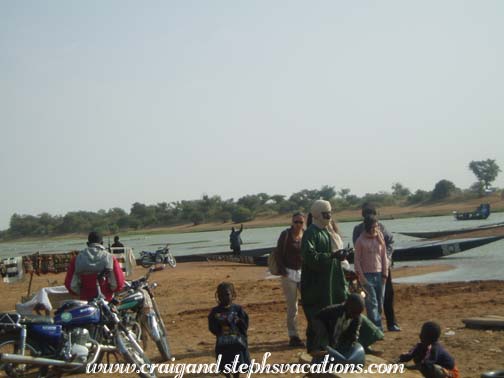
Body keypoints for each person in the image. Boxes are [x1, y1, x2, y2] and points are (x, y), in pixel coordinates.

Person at [301, 200, 349, 353]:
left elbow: (331, 257)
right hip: (316, 286)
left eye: (330, 213)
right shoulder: (310, 233)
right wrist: (331, 256)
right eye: (325, 213)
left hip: (331, 282)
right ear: (316, 214)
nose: (329, 216)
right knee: (318, 317)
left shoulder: (326, 232)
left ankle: (331, 347)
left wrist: (340, 257)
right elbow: (310, 258)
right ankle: (315, 349)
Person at [353, 202, 400, 332]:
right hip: (366, 271)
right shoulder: (358, 229)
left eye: (372, 214)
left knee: (387, 296)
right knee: (370, 300)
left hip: (383, 267)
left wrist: (388, 258)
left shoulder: (381, 228)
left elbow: (389, 242)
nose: (370, 216)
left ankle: (392, 323)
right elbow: (357, 252)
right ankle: (375, 326)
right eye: (367, 214)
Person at [64, 231, 125, 301]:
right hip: (106, 300)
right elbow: (118, 283)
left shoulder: (76, 259)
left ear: (87, 244)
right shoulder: (110, 257)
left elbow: (71, 285)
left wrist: (81, 292)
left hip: (86, 301)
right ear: (102, 243)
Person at [275, 212, 305, 347]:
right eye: (296, 222)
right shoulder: (285, 234)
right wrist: (283, 271)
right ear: (292, 222)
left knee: (309, 303)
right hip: (289, 273)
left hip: (302, 273)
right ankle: (293, 335)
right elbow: (278, 253)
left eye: (300, 222)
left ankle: (313, 332)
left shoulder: (305, 235)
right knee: (293, 306)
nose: (298, 225)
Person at [208, 282, 250, 378]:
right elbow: (212, 327)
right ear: (217, 296)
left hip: (236, 344)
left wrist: (238, 321)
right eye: (221, 295)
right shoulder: (215, 312)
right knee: (224, 363)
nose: (224, 297)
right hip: (223, 344)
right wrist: (218, 325)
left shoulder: (238, 309)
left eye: (227, 294)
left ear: (233, 295)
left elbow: (245, 326)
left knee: (237, 363)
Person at [354, 215, 388, 331]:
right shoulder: (360, 240)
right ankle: (376, 328)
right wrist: (361, 277)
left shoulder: (379, 238)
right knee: (371, 302)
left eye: (377, 226)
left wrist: (385, 273)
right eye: (373, 227)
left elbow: (383, 256)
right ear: (368, 227)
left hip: (379, 274)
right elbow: (357, 260)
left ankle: (376, 325)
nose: (375, 229)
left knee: (380, 302)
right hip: (367, 275)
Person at [311, 294, 367, 365]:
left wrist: (350, 343)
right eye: (353, 313)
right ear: (348, 308)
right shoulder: (336, 313)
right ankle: (319, 350)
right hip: (321, 323)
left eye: (357, 314)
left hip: (334, 331)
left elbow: (353, 335)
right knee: (324, 337)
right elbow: (332, 331)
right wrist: (331, 347)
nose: (355, 316)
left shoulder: (357, 318)